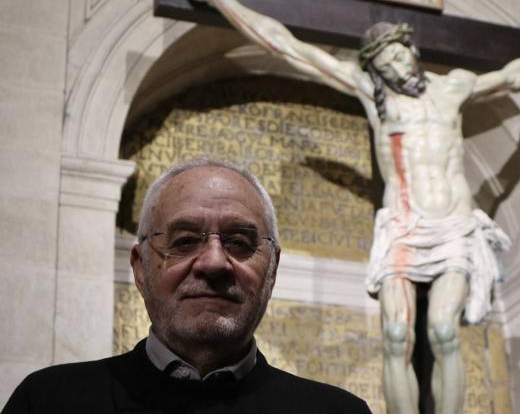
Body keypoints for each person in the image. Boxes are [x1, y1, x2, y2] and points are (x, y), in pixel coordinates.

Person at [176, 0, 520, 414]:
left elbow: (513, 76)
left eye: (397, 55)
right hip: (402, 225)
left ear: (411, 50)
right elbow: (291, 48)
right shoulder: (377, 98)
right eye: (383, 62)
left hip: (453, 226)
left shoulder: (453, 88)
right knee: (395, 335)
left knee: (445, 332)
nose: (393, 66)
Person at [3, 158, 371, 413]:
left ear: (272, 270)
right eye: (184, 241)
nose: (213, 262)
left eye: (239, 243)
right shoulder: (50, 402)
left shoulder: (338, 412)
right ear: (141, 269)